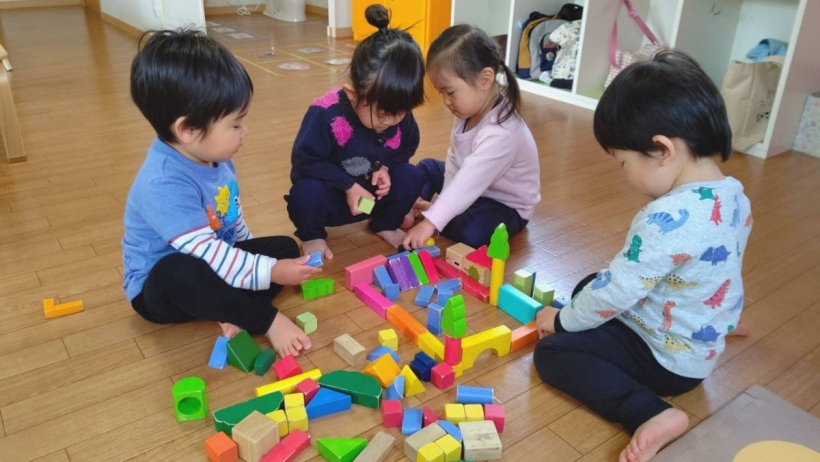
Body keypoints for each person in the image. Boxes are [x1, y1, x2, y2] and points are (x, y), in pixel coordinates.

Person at [534, 51, 752, 462]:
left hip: (666, 362)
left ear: (661, 149)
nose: (624, 174)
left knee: (555, 351)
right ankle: (712, 320)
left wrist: (561, 321)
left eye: (623, 162)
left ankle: (649, 412)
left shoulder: (664, 218)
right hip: (697, 340)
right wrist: (715, 313)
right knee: (589, 287)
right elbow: (719, 265)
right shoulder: (733, 194)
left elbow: (618, 291)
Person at [123, 29, 319, 358]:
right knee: (180, 273)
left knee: (283, 248)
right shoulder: (162, 183)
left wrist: (262, 259)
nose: (245, 132)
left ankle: (231, 308)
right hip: (162, 288)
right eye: (235, 124)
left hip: (213, 259)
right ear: (188, 129)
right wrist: (269, 274)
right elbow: (206, 254)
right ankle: (260, 318)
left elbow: (231, 216)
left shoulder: (216, 156)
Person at [286, 4, 426, 259]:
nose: (392, 122)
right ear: (352, 94)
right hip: (335, 199)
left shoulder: (397, 111)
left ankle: (384, 223)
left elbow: (408, 146)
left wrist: (386, 168)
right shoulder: (325, 112)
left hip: (371, 201)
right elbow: (305, 161)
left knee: (412, 175)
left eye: (402, 112)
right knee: (305, 194)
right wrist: (348, 186)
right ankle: (313, 235)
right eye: (382, 114)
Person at [402, 24, 540, 250]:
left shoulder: (502, 134)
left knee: (473, 231)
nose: (446, 101)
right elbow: (455, 163)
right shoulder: (468, 110)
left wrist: (431, 222)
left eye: (450, 92)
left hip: (504, 205)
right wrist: (442, 204)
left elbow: (469, 182)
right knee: (427, 167)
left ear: (485, 79)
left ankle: (428, 210)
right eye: (441, 93)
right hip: (472, 187)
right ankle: (412, 205)